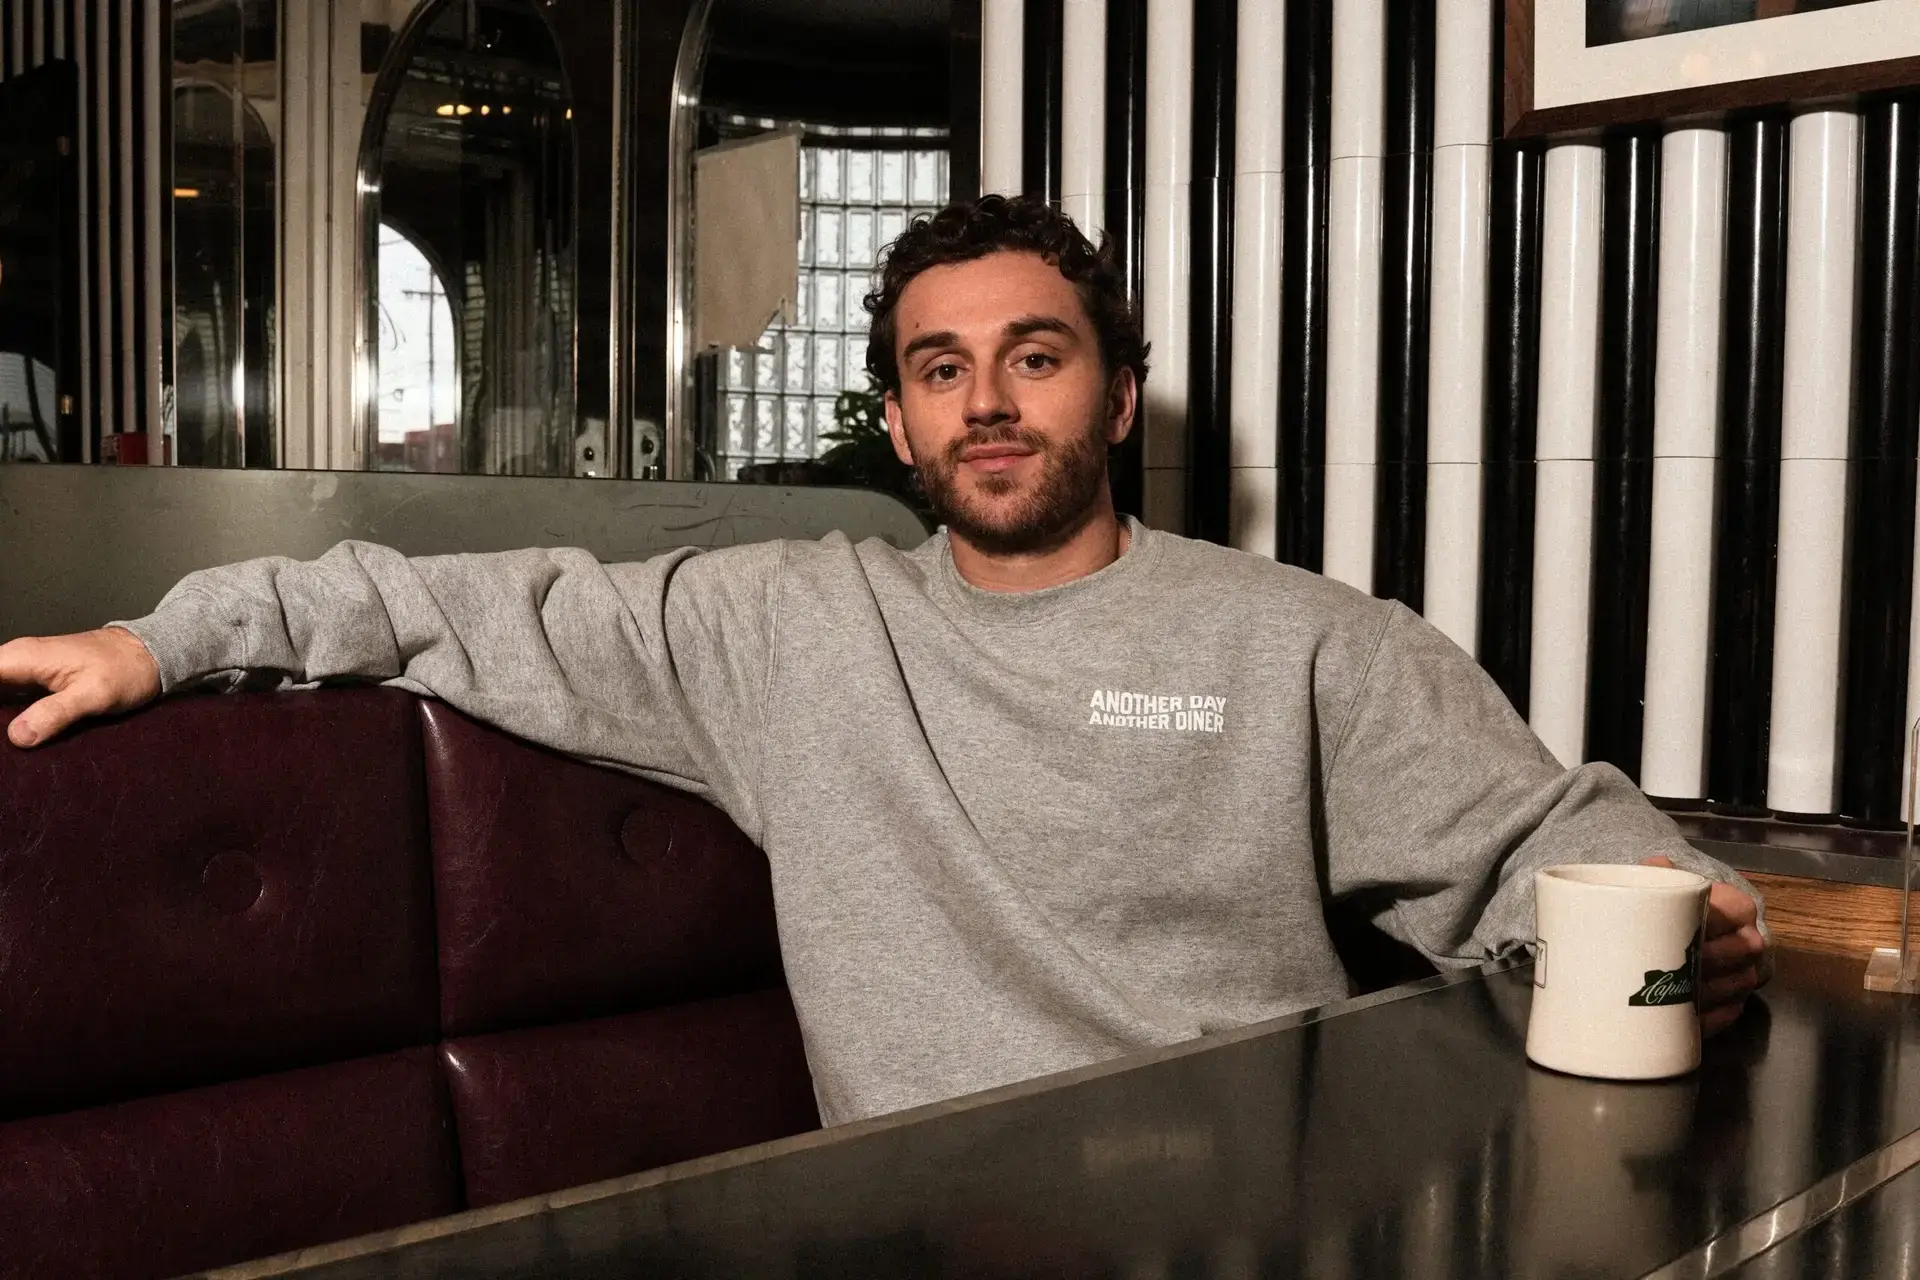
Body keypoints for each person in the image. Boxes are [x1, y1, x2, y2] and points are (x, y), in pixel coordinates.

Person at [0, 195, 1766, 1126]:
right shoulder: (791, 627)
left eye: (1035, 357)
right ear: (903, 424)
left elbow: (1547, 841)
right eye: (941, 370)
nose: (988, 401)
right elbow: (449, 600)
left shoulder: (1300, 640)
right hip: (922, 1225)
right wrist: (167, 639)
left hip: (1257, 1220)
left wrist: (1693, 923)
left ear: (1116, 397)